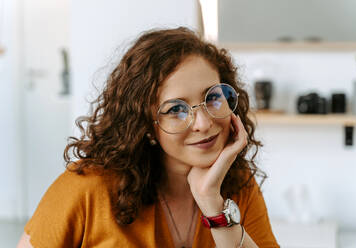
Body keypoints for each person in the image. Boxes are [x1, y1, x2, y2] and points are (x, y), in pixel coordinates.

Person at [17, 27, 279, 248]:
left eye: (212, 97)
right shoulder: (86, 188)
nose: (204, 122)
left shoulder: (238, 183)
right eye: (176, 109)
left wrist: (212, 202)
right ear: (145, 124)